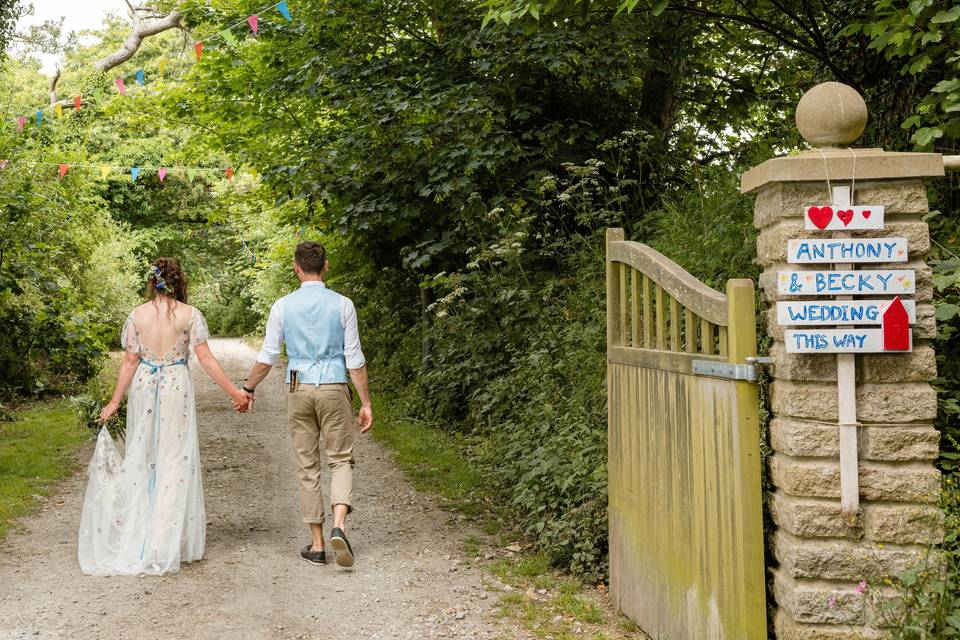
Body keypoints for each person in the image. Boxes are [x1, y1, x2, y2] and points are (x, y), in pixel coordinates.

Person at [78, 258, 250, 576]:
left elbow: (130, 362)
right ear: (178, 281)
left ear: (152, 282)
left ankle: (145, 536)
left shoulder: (137, 315)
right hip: (175, 385)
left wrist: (115, 401)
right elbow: (206, 359)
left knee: (143, 456)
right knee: (174, 459)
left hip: (145, 383)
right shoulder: (189, 314)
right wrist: (235, 393)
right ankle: (163, 540)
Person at [240, 241, 372, 568]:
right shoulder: (343, 305)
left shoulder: (282, 306)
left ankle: (317, 545)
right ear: (326, 265)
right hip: (334, 387)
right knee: (340, 459)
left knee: (307, 465)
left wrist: (248, 387)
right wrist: (365, 402)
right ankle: (339, 527)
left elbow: (268, 355)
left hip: (298, 388)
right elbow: (354, 359)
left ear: (296, 268)